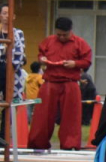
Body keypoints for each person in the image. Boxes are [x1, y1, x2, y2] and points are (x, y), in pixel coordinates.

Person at [28, 17, 91, 150]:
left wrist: (75, 64)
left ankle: (70, 144)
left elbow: (87, 61)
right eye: (59, 34)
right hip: (50, 82)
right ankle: (38, 143)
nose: (61, 37)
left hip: (70, 82)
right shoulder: (48, 41)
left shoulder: (80, 43)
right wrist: (42, 60)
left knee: (71, 116)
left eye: (65, 35)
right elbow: (40, 55)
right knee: (42, 115)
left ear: (70, 31)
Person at [0, 3, 25, 145]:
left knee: (9, 104)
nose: (6, 16)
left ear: (14, 16)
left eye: (9, 13)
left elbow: (20, 53)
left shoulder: (18, 33)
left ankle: (4, 136)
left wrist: (12, 67)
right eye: (4, 13)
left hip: (11, 71)